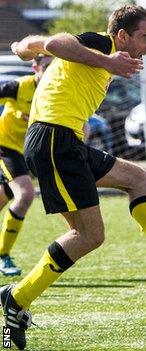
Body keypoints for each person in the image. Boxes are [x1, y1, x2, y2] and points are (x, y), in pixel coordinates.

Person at [2, 5, 146, 349]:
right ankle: (17, 298)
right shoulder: (101, 44)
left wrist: (27, 46)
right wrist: (108, 60)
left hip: (67, 142)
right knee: (89, 235)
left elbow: (41, 45)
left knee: (138, 179)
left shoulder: (97, 57)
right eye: (145, 37)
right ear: (122, 35)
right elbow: (57, 42)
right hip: (54, 140)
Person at [0, 55, 53, 277]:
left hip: (27, 153)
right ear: (35, 68)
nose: (51, 71)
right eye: (47, 66)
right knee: (26, 194)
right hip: (5, 147)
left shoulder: (57, 92)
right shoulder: (18, 87)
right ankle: (3, 255)